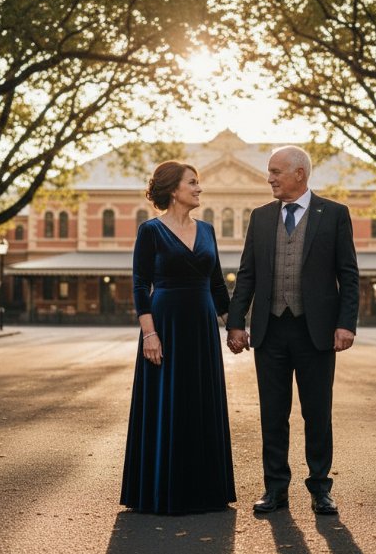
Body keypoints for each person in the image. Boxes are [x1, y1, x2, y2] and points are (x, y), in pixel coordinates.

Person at [226, 145, 359, 516]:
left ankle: (320, 488)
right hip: (270, 331)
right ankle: (275, 489)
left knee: (317, 413)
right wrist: (236, 322)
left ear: (299, 173)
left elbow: (348, 275)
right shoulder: (261, 217)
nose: (269, 178)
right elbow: (247, 273)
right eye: (269, 172)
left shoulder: (333, 215)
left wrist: (346, 324)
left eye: (275, 171)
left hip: (315, 332)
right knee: (273, 414)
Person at [120, 160, 236, 514]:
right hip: (165, 324)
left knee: (201, 400)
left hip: (202, 327)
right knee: (166, 403)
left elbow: (217, 284)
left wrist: (233, 325)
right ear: (174, 190)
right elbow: (140, 284)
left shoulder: (208, 231)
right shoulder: (150, 231)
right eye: (193, 182)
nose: (199, 188)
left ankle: (205, 491)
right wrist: (149, 334)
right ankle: (160, 491)